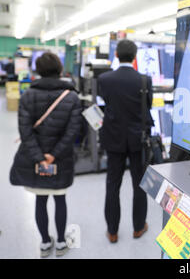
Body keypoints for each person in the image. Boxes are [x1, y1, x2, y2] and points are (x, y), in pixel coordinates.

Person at [9, 52, 82, 258]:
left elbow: (25, 131)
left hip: (34, 160)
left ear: (37, 70)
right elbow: (72, 131)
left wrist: (40, 158)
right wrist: (53, 155)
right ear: (60, 70)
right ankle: (60, 243)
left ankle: (43, 244)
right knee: (60, 199)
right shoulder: (72, 96)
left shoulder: (28, 95)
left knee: (40, 200)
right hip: (61, 159)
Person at [98, 39, 154, 243]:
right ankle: (138, 227)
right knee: (139, 184)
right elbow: (146, 106)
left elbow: (106, 103)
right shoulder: (144, 80)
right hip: (138, 140)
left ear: (116, 55)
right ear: (135, 56)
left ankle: (112, 231)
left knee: (113, 184)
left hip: (113, 138)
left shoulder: (104, 79)